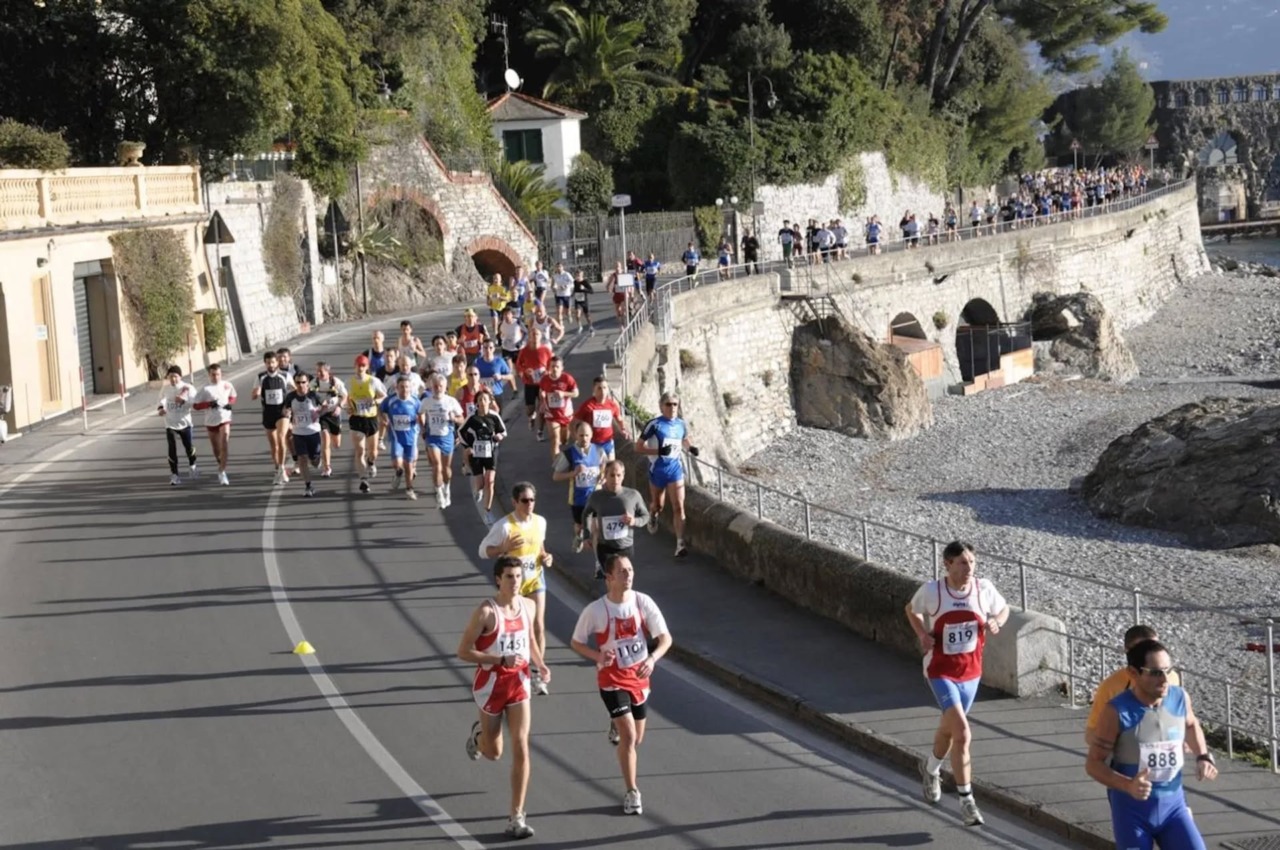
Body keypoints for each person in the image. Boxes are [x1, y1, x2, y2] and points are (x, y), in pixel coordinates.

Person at [903, 540, 1010, 827]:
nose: (969, 568)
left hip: (971, 673)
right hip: (941, 672)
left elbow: (1003, 609)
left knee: (949, 731)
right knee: (962, 733)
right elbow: (910, 610)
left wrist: (997, 621)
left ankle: (930, 768)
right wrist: (923, 636)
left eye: (972, 562)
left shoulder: (983, 589)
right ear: (947, 564)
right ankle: (967, 802)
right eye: (963, 563)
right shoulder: (933, 591)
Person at [1086, 639, 1217, 850]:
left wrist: (1202, 755)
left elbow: (1192, 725)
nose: (1165, 679)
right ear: (1133, 673)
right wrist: (1128, 785)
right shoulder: (1116, 711)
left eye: (1168, 670)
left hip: (1174, 808)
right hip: (1132, 812)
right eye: (1155, 672)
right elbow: (1093, 764)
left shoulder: (1180, 698)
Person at [570, 554, 672, 816]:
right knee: (627, 736)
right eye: (623, 571)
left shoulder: (642, 602)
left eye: (631, 570)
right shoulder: (596, 610)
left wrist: (652, 659)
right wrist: (598, 656)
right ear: (609, 578)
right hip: (611, 679)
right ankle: (632, 791)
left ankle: (615, 722)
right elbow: (577, 641)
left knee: (637, 738)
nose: (629, 575)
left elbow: (666, 639)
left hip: (639, 677)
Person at [457, 555, 550, 841]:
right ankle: (478, 738)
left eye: (518, 576)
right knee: (494, 752)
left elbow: (530, 640)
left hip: (519, 684)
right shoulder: (486, 612)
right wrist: (499, 659)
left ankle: (516, 816)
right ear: (498, 579)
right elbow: (463, 651)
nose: (515, 582)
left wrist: (540, 663)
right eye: (509, 576)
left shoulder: (529, 606)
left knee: (522, 745)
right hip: (491, 686)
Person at [479, 482, 552, 696]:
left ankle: (539, 674)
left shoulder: (540, 522)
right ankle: (521, 669)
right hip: (514, 584)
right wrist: (503, 548)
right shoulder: (505, 526)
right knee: (522, 628)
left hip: (536, 579)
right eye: (524, 501)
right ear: (514, 502)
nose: (529, 504)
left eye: (532, 500)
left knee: (538, 625)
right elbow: (483, 551)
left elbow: (540, 547)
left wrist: (546, 557)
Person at [1086, 625, 1182, 745]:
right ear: (1128, 652)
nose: (1151, 653)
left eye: (1155, 647)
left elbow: (1178, 716)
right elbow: (1092, 732)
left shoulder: (1172, 677)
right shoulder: (1111, 687)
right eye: (1142, 649)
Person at [636, 392, 695, 558]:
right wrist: (658, 451)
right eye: (668, 404)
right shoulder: (654, 425)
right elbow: (638, 447)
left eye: (675, 404)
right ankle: (653, 515)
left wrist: (691, 448)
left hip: (675, 470)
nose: (672, 407)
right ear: (661, 407)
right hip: (657, 471)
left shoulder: (681, 424)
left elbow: (685, 439)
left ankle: (680, 543)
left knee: (678, 506)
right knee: (658, 505)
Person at [583, 461, 650, 579]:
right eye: (612, 475)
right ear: (605, 476)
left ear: (623, 475)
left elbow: (646, 516)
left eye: (619, 475)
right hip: (605, 547)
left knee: (625, 579)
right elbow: (586, 514)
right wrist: (587, 535)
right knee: (612, 579)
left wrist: (634, 521)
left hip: (626, 547)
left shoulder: (633, 495)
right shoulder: (597, 497)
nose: (615, 479)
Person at [552, 419, 604, 552]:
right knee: (580, 525)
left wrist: (603, 475)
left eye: (587, 435)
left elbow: (605, 465)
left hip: (595, 497)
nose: (584, 438)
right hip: (577, 498)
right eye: (581, 435)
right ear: (575, 435)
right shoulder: (569, 454)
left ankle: (598, 554)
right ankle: (579, 536)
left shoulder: (599, 451)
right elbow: (556, 476)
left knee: (595, 526)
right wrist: (573, 474)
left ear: (591, 435)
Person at [459, 389, 507, 523]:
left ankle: (487, 511)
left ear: (490, 401)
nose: (483, 402)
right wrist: (468, 446)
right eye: (480, 400)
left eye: (485, 399)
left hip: (490, 453)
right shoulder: (472, 418)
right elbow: (460, 432)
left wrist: (499, 436)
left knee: (490, 482)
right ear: (477, 403)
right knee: (480, 484)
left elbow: (503, 432)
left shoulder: (494, 416)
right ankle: (478, 491)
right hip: (477, 454)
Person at [422, 372, 465, 509]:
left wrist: (454, 418)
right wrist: (423, 427)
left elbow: (462, 419)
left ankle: (447, 488)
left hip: (447, 437)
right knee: (436, 465)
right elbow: (420, 414)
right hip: (432, 437)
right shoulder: (426, 401)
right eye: (435, 386)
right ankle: (439, 493)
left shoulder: (451, 401)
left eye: (440, 386)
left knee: (446, 469)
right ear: (431, 387)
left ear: (445, 387)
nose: (437, 388)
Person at [380, 375, 425, 500]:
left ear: (410, 388)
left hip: (411, 437)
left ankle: (409, 488)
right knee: (397, 463)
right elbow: (381, 410)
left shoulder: (416, 401)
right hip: (396, 437)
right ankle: (398, 473)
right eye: (401, 387)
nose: (404, 390)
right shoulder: (390, 400)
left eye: (406, 387)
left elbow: (422, 415)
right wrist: (384, 419)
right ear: (397, 388)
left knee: (409, 464)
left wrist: (422, 426)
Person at [346, 354, 386, 494]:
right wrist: (347, 407)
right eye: (358, 365)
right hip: (357, 419)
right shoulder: (349, 382)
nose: (360, 368)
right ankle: (363, 480)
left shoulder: (373, 381)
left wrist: (376, 402)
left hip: (371, 419)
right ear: (354, 366)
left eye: (363, 366)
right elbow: (346, 399)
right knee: (360, 451)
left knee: (373, 452)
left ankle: (371, 462)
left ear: (367, 367)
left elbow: (383, 396)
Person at [192, 362, 235, 485]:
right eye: (213, 375)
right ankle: (220, 463)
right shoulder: (205, 389)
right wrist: (209, 404)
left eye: (218, 374)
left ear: (221, 374)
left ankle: (222, 471)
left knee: (224, 443)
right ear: (209, 375)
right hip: (211, 421)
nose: (216, 377)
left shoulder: (227, 385)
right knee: (216, 449)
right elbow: (195, 405)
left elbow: (233, 396)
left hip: (224, 418)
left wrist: (229, 404)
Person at [283, 372, 324, 498]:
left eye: (303, 382)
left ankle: (317, 459)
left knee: (314, 461)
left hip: (313, 432)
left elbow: (324, 406)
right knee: (302, 459)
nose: (301, 385)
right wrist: (287, 414)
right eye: (298, 383)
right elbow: (284, 410)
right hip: (298, 433)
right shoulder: (290, 397)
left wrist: (319, 412)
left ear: (307, 383)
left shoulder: (313, 395)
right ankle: (308, 485)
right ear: (295, 384)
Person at [252, 350, 291, 484]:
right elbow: (253, 395)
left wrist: (291, 404)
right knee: (274, 446)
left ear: (277, 362)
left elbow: (296, 389)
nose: (271, 365)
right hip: (268, 414)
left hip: (282, 413)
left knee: (281, 439)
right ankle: (277, 469)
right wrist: (256, 393)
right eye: (268, 362)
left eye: (273, 362)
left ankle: (281, 469)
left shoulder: (285, 376)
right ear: (265, 363)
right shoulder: (260, 377)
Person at [157, 365, 198, 486]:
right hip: (170, 423)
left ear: (180, 376)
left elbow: (196, 403)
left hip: (185, 423)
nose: (173, 379)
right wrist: (161, 409)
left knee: (189, 447)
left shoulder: (188, 387)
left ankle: (193, 465)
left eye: (175, 376)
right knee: (172, 448)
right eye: (170, 377)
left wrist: (184, 401)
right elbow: (161, 400)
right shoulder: (165, 388)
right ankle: (174, 475)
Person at [573, 374, 628, 461]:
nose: (602, 391)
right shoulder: (587, 405)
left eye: (605, 388)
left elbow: (619, 419)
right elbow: (575, 421)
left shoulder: (612, 405)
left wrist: (623, 429)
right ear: (594, 390)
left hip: (608, 442)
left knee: (610, 466)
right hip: (592, 443)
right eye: (599, 388)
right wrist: (577, 437)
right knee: (597, 469)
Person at [515, 327, 553, 442]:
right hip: (530, 383)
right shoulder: (524, 350)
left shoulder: (546, 350)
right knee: (529, 409)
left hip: (543, 384)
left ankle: (540, 431)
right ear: (529, 337)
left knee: (542, 408)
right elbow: (518, 365)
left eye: (537, 334)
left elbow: (552, 364)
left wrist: (548, 372)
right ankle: (531, 417)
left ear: (540, 337)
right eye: (532, 335)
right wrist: (525, 371)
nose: (535, 337)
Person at [538, 355, 579, 461]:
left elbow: (576, 393)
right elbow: (541, 391)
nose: (554, 369)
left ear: (562, 368)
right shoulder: (545, 379)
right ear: (549, 367)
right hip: (551, 415)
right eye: (552, 366)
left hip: (566, 414)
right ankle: (556, 465)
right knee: (555, 439)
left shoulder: (567, 378)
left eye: (557, 366)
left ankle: (564, 442)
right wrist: (542, 401)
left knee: (564, 439)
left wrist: (564, 394)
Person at [313, 361, 347, 478]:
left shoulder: (335, 382)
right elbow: (309, 396)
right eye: (317, 371)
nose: (319, 373)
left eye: (321, 371)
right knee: (325, 439)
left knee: (336, 444)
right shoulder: (314, 383)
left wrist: (339, 407)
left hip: (334, 414)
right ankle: (327, 467)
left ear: (328, 372)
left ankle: (337, 432)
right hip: (322, 415)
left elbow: (345, 396)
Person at [474, 339, 516, 407]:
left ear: (494, 349)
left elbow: (510, 376)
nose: (488, 350)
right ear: (482, 348)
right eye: (485, 348)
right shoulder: (477, 362)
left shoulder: (499, 361)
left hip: (496, 393)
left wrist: (501, 377)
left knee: (498, 416)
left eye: (490, 348)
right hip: (482, 395)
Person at [572, 269, 594, 335]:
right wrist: (571, 294)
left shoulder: (585, 282)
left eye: (579, 275)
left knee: (587, 316)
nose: (578, 277)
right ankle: (580, 327)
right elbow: (573, 290)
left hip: (584, 301)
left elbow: (592, 291)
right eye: (577, 275)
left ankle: (591, 327)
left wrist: (584, 288)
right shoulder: (574, 282)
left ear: (582, 275)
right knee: (577, 315)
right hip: (577, 301)